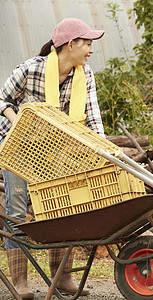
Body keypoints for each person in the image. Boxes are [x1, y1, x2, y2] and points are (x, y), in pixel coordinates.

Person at [0, 18, 105, 299]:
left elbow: (92, 118)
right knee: (18, 210)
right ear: (70, 45)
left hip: (55, 150)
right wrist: (20, 119)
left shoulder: (84, 75)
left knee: (63, 207)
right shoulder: (31, 69)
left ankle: (61, 278)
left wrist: (103, 149)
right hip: (18, 148)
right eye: (87, 44)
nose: (91, 50)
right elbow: (2, 102)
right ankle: (20, 283)